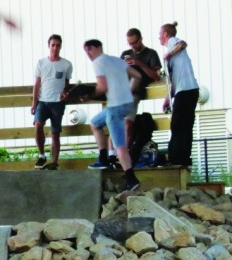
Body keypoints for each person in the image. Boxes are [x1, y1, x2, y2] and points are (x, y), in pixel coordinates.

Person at [82, 39, 142, 191]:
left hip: (115, 107)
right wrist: (129, 91)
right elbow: (137, 76)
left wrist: (89, 96)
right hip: (126, 104)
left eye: (89, 50)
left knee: (120, 146)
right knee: (95, 123)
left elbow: (102, 87)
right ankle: (103, 158)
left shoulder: (98, 63)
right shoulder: (117, 60)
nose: (88, 54)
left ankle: (131, 179)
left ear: (97, 48)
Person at [159, 22, 199, 168]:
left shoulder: (172, 43)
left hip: (187, 89)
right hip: (183, 90)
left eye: (159, 34)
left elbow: (182, 43)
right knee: (180, 124)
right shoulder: (172, 56)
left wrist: (168, 54)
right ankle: (178, 157)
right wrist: (168, 99)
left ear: (165, 34)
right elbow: (174, 80)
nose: (158, 38)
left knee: (180, 124)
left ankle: (179, 158)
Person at [118, 28, 161, 165]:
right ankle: (115, 156)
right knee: (115, 123)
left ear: (141, 39)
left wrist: (139, 63)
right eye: (129, 43)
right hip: (122, 91)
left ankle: (125, 156)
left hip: (135, 92)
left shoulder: (150, 54)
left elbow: (155, 76)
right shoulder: (126, 54)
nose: (132, 46)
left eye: (134, 43)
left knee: (127, 124)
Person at [31, 34, 72, 171]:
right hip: (43, 100)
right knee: (38, 125)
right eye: (53, 45)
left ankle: (54, 161)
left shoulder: (66, 64)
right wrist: (34, 102)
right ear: (49, 46)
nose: (55, 47)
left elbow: (67, 83)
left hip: (58, 102)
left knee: (55, 132)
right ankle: (42, 154)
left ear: (61, 46)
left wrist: (66, 92)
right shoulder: (41, 63)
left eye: (58, 45)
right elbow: (36, 84)